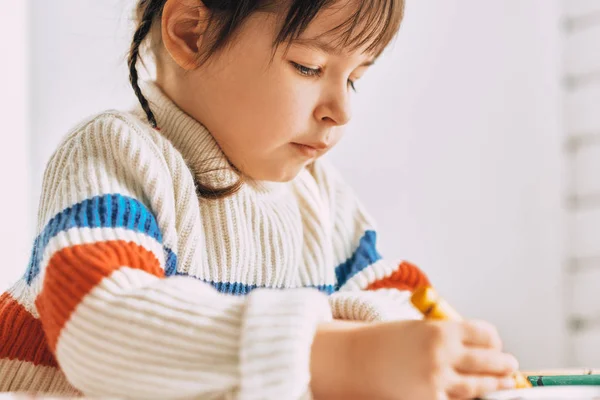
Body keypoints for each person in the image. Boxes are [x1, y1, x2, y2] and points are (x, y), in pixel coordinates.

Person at [0, 0, 519, 398]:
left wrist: (424, 353)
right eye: (310, 67)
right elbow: (98, 322)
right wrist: (332, 355)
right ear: (191, 33)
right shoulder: (119, 153)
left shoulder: (319, 194)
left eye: (356, 79)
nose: (341, 110)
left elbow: (400, 298)